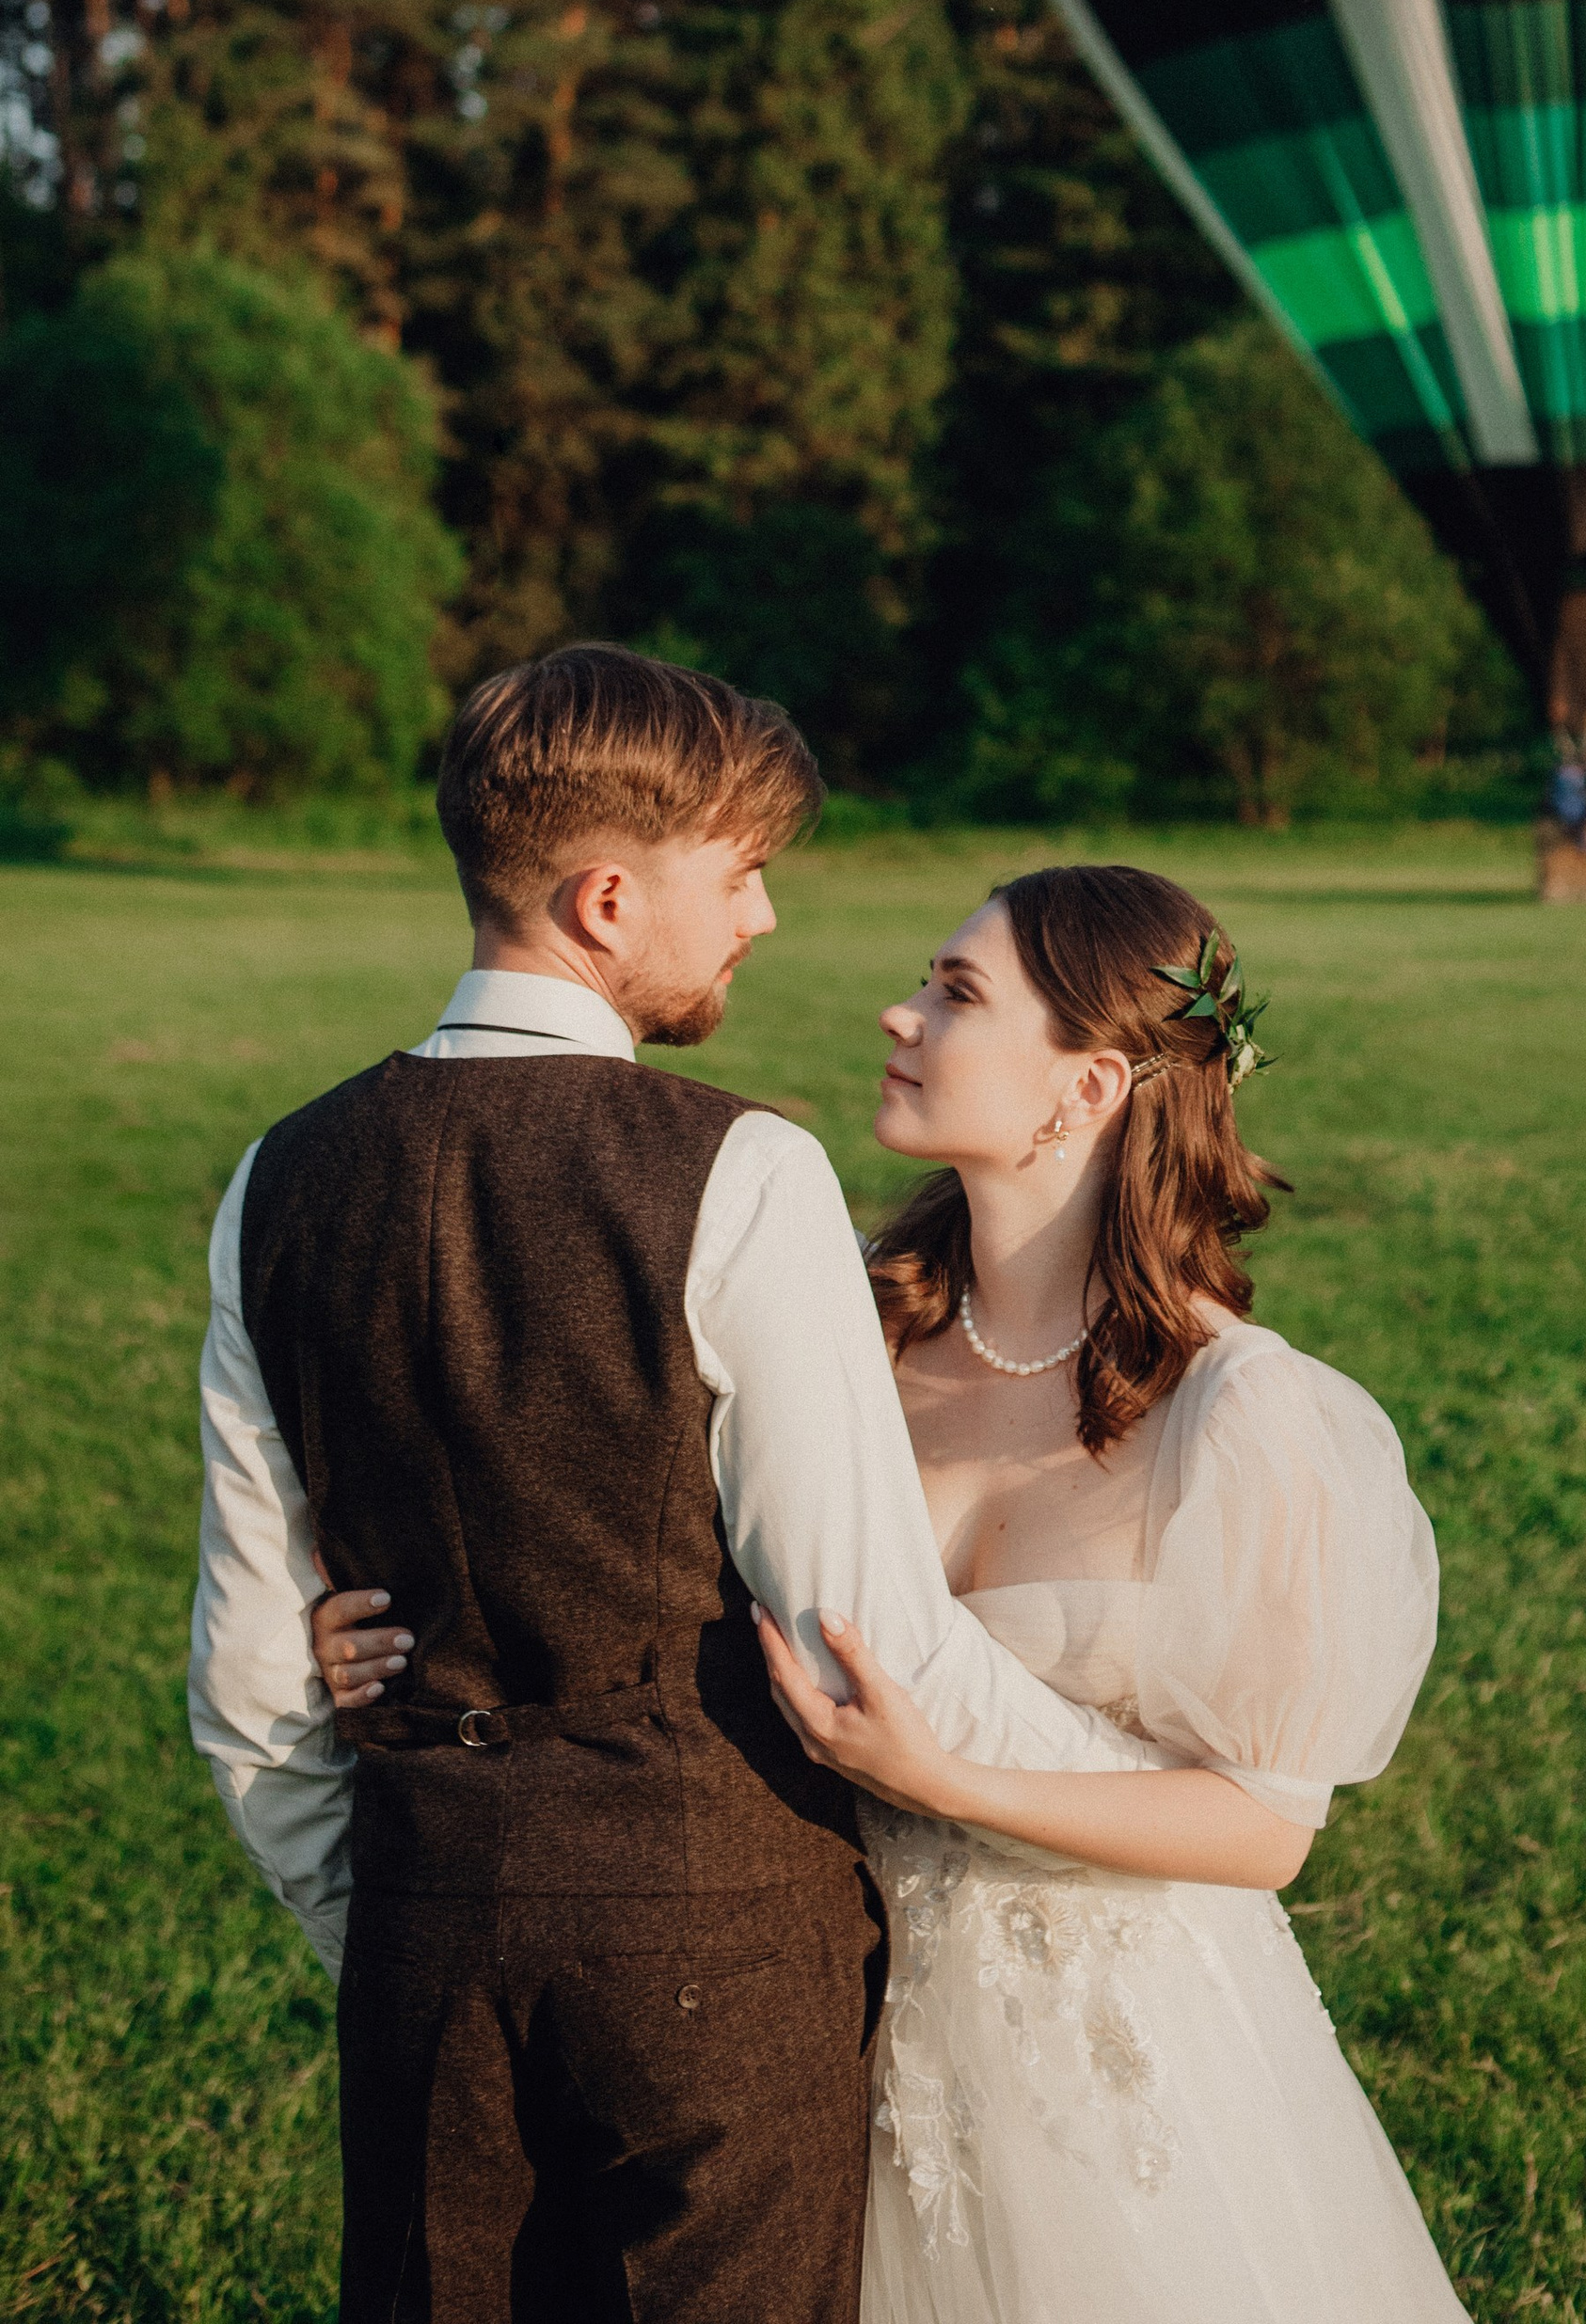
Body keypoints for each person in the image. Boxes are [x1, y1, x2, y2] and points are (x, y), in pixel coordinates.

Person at [312, 862, 1466, 2324]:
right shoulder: (839, 1324)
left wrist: (946, 1776)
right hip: (785, 1997)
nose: (898, 1011)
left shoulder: (1244, 1417)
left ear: (1088, 1086)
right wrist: (381, 1624)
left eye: (955, 993)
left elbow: (1262, 1827)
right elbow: (592, 1517)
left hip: (1097, 2044)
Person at [191, 647, 1173, 2324]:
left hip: (426, 1925)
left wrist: (393, 1922)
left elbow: (250, 1682)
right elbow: (867, 1635)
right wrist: (1155, 1826)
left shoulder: (273, 1177)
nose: (766, 920)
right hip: (720, 1938)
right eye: (741, 873)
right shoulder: (743, 1170)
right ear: (604, 898)